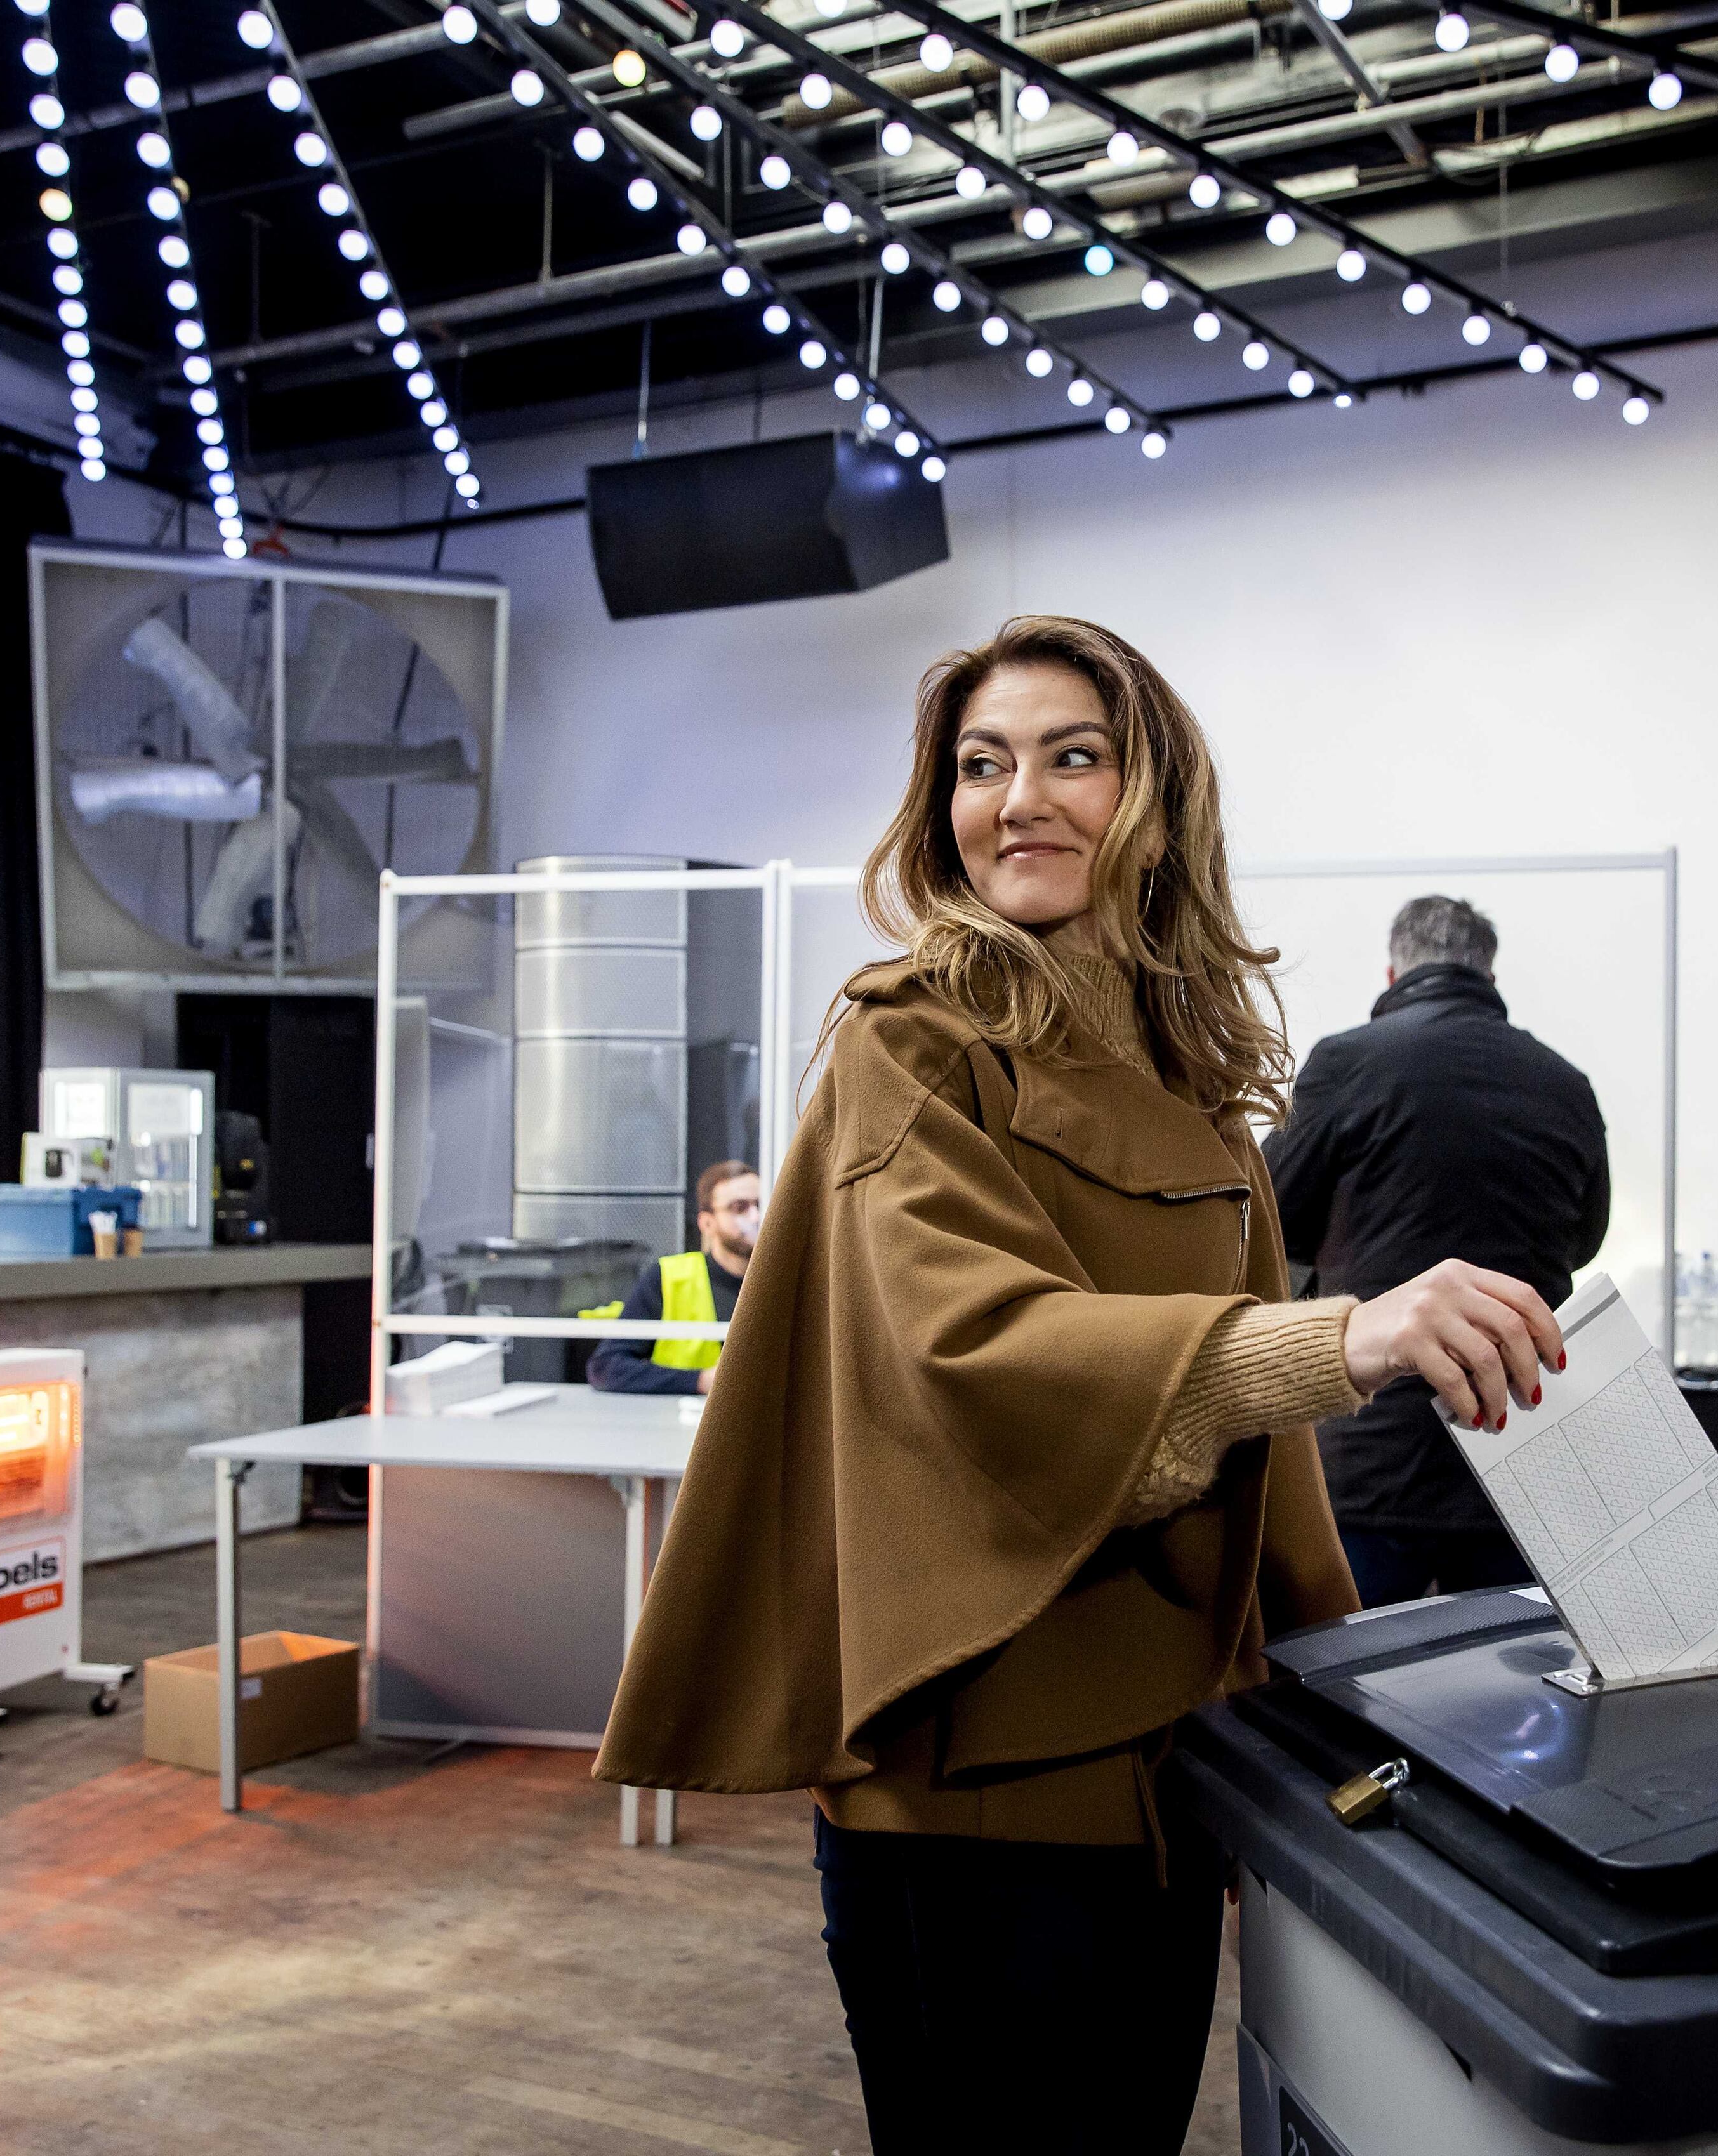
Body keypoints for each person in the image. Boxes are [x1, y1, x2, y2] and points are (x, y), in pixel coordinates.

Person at [595, 617, 1564, 2155]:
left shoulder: (1195, 1084)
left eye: (1072, 757)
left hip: (1167, 1768)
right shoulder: (907, 1041)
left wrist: (1323, 1695)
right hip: (975, 1766)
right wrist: (1351, 1335)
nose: (1019, 797)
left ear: (1154, 800)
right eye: (982, 765)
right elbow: (975, 1350)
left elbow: (1264, 1461)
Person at [1265, 895, 1611, 1609]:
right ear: (1486, 970)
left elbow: (1269, 1211)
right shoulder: (1564, 1082)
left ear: (1394, 969)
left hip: (1373, 1451)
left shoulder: (1347, 1060)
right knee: (1504, 1697)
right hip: (1517, 1441)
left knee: (1341, 1691)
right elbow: (1584, 1239)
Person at [585, 1159, 760, 1396]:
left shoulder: (791, 1280)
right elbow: (606, 1368)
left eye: (762, 1205)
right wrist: (700, 1381)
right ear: (707, 1223)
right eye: (739, 1207)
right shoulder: (669, 1277)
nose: (756, 1217)